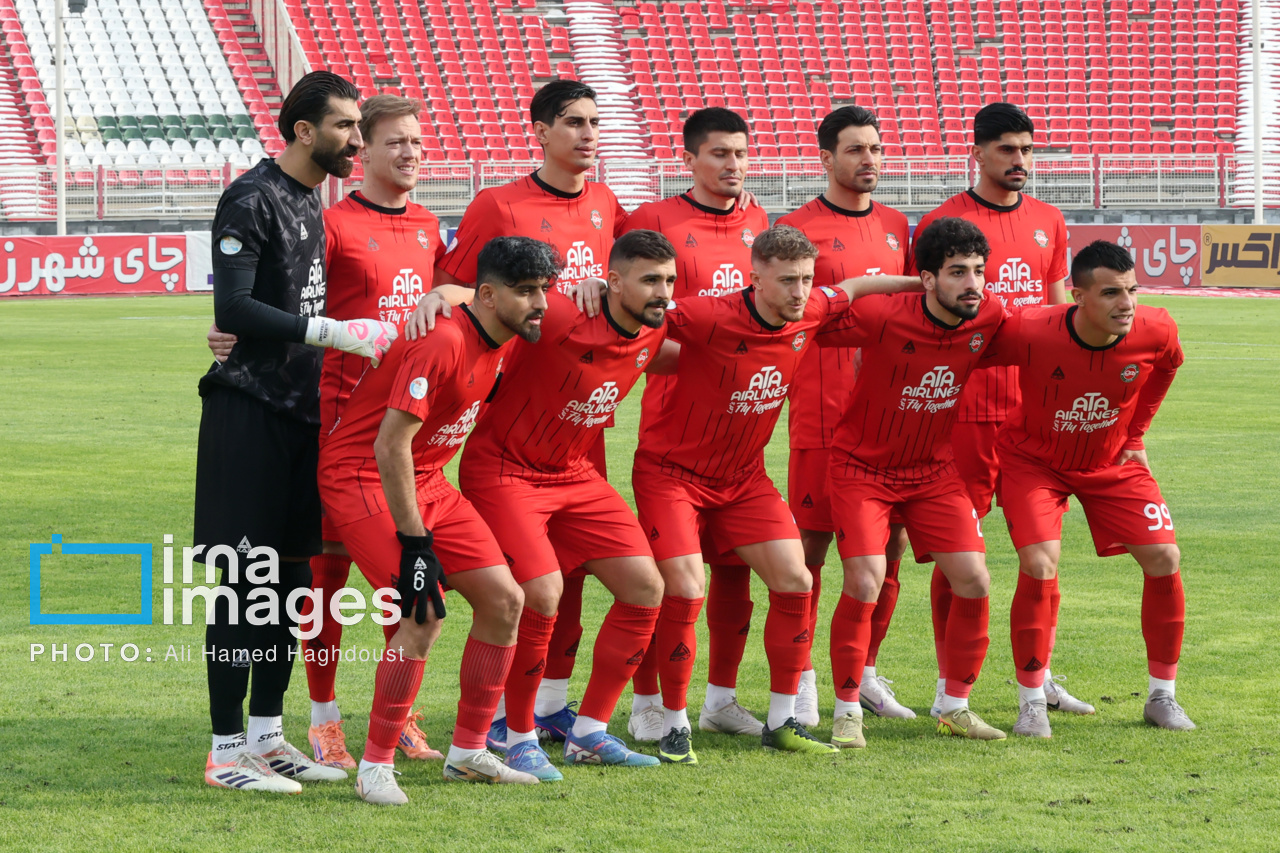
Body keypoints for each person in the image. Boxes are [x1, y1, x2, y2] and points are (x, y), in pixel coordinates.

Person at [632, 224, 918, 763]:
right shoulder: (708, 313)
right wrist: (591, 292)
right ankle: (671, 723)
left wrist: (920, 284)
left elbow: (854, 287)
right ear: (755, 278)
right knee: (687, 589)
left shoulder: (810, 309)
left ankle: (782, 721)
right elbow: (636, 311)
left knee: (796, 579)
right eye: (787, 280)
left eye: (806, 278)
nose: (799, 291)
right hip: (671, 475)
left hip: (743, 479)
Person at [416, 229, 681, 777]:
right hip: (504, 470)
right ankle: (516, 736)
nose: (663, 292)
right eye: (651, 280)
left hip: (575, 473)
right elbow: (479, 296)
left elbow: (710, 345)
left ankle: (589, 733)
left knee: (646, 588)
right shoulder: (560, 311)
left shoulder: (655, 329)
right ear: (614, 282)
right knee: (541, 593)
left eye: (670, 280)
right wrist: (437, 296)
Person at [197, 71, 396, 794]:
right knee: (242, 586)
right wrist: (332, 331)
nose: (356, 139)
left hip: (298, 414)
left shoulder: (311, 196)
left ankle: (267, 737)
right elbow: (233, 307)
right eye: (345, 125)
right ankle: (225, 754)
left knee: (290, 585)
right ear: (304, 131)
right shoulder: (250, 198)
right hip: (247, 413)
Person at [318, 236, 560, 804]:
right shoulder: (445, 341)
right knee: (421, 612)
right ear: (489, 296)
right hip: (363, 476)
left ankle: (468, 752)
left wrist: (442, 291)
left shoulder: (497, 327)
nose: (540, 303)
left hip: (427, 477)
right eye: (526, 292)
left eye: (544, 290)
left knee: (507, 601)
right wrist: (415, 542)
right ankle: (375, 766)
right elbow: (388, 446)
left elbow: (460, 293)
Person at [422, 80, 626, 739]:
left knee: (573, 574)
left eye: (594, 122)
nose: (588, 134)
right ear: (540, 131)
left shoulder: (605, 203)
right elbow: (453, 287)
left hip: (581, 423)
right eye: (573, 122)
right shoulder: (499, 204)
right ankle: (495, 720)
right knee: (526, 583)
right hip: (512, 417)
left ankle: (550, 706)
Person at [911, 102, 1091, 718]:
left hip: (1033, 413)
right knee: (960, 552)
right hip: (962, 411)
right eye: (1008, 149)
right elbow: (924, 314)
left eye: (1027, 149)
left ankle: (1040, 676)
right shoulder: (944, 221)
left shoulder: (1048, 220)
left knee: (1044, 552)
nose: (1020, 160)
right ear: (978, 153)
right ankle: (950, 683)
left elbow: (1060, 313)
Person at [981, 240, 1192, 736]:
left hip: (1109, 462)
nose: (1127, 303)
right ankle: (1032, 701)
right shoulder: (1030, 329)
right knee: (1040, 563)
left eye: (1132, 290)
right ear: (1077, 296)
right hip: (1034, 462)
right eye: (1111, 293)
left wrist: (1135, 434)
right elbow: (965, 351)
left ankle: (1162, 697)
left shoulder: (1157, 328)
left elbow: (1168, 367)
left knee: (1165, 557)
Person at [817, 217, 1008, 749]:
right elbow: (810, 317)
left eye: (979, 271)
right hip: (861, 469)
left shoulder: (990, 314)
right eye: (957, 272)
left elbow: (1046, 335)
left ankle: (954, 706)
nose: (973, 283)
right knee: (865, 581)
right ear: (927, 278)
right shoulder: (882, 314)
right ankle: (847, 711)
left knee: (974, 579)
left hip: (932, 472)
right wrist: (879, 284)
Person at [621, 107, 773, 741]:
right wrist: (711, 357)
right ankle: (647, 701)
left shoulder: (760, 223)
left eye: (741, 153)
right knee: (674, 583)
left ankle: (721, 699)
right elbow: (634, 325)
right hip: (676, 435)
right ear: (689, 160)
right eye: (719, 153)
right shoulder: (653, 221)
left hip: (742, 443)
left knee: (736, 574)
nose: (733, 165)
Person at [775, 105, 914, 723]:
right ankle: (801, 677)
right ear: (827, 158)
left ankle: (867, 673)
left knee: (890, 548)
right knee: (810, 549)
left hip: (889, 416)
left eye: (876, 148)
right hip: (822, 412)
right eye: (856, 149)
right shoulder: (796, 227)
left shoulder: (897, 225)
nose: (870, 160)